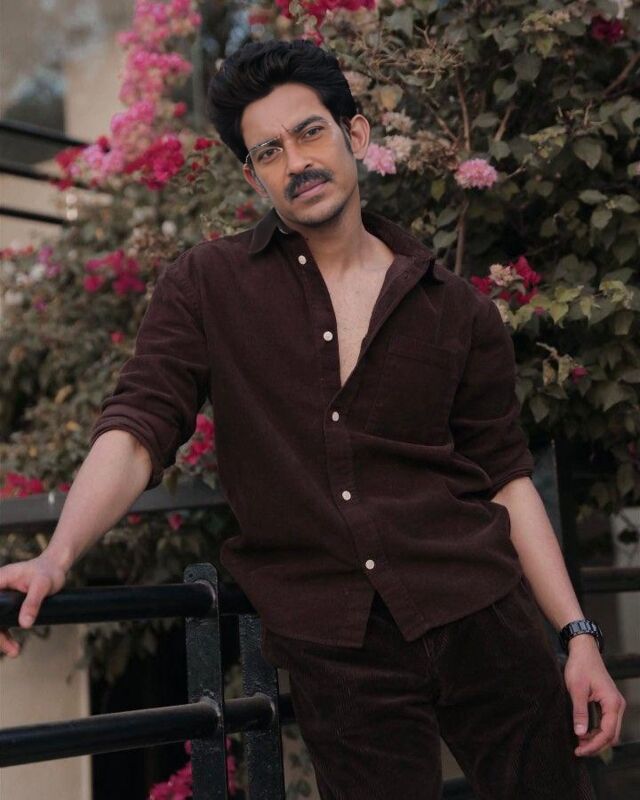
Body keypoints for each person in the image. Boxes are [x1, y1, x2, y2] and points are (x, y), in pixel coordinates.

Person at [0, 39, 625, 799]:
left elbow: (506, 479)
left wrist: (578, 635)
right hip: (340, 648)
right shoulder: (207, 286)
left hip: (484, 616)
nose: (296, 161)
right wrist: (57, 556)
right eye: (269, 151)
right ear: (252, 175)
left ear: (354, 133)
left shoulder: (456, 309)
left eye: (310, 132)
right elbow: (138, 428)